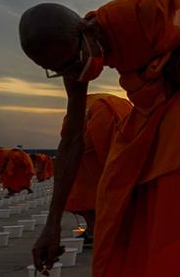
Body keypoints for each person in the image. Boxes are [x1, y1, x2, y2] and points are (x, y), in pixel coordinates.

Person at [20, 0, 180, 276]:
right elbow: (72, 140)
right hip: (151, 116)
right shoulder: (75, 65)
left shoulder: (139, 14)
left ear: (88, 29)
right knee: (114, 191)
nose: (74, 71)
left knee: (176, 201)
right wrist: (52, 224)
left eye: (73, 61)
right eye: (60, 70)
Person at [64, 93, 132, 246]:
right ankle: (99, 230)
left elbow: (69, 137)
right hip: (100, 157)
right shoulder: (103, 106)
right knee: (99, 195)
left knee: (91, 196)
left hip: (93, 157)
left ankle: (96, 230)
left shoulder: (96, 108)